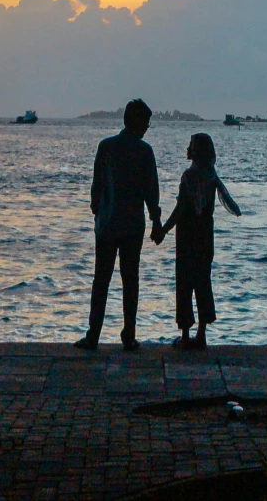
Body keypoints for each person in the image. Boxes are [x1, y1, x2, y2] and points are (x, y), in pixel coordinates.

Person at [77, 98, 160, 353]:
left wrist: (96, 209)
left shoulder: (106, 147)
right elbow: (151, 191)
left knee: (100, 280)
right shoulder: (144, 151)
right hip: (132, 226)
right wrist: (156, 220)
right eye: (146, 122)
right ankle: (129, 335)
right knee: (130, 280)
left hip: (107, 224)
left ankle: (93, 335)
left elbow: (97, 184)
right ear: (136, 122)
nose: (147, 127)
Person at [154, 131, 241, 351]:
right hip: (205, 234)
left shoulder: (188, 176)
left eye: (191, 145)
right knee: (203, 281)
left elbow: (180, 209)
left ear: (196, 151)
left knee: (184, 283)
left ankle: (185, 335)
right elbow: (228, 203)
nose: (187, 149)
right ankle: (201, 333)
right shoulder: (212, 175)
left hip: (187, 236)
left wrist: (163, 229)